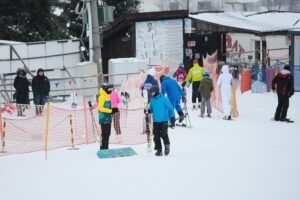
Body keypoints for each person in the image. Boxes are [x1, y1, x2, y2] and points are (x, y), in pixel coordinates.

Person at [149, 86, 174, 156]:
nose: (152, 94)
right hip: (155, 121)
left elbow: (170, 107)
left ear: (156, 91)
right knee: (156, 136)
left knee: (163, 134)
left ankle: (167, 147)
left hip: (164, 120)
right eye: (151, 92)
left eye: (153, 92)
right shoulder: (152, 100)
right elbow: (151, 110)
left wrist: (172, 117)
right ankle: (159, 150)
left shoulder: (163, 98)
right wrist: (147, 110)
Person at [98, 83, 114, 149]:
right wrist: (110, 111)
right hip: (103, 117)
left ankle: (106, 147)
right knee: (104, 133)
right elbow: (101, 108)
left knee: (108, 133)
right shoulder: (102, 97)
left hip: (108, 117)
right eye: (109, 89)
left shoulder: (109, 96)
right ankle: (102, 147)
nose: (110, 90)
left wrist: (113, 109)